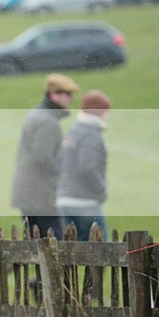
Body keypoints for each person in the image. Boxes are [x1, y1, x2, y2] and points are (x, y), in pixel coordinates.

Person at [10, 73, 80, 239]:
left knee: (36, 243)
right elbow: (42, 158)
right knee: (54, 244)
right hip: (40, 197)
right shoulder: (48, 121)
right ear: (54, 95)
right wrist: (66, 172)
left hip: (30, 193)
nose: (70, 99)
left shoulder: (37, 114)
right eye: (67, 94)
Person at [56, 89, 111, 241]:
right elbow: (88, 168)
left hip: (63, 200)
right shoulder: (91, 134)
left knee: (70, 250)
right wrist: (102, 190)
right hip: (85, 203)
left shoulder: (73, 132)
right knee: (101, 250)